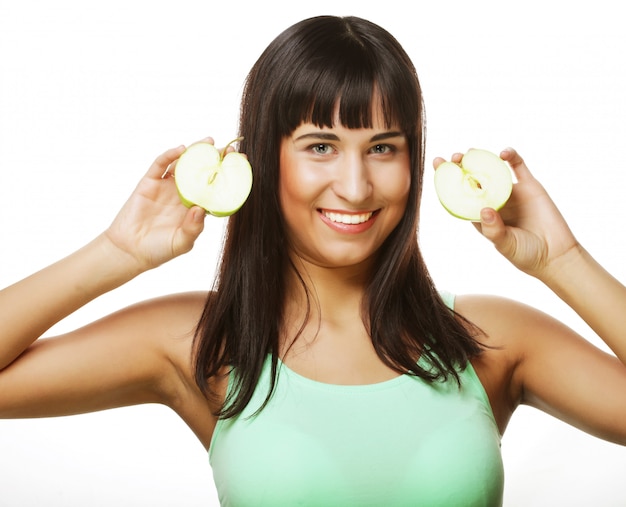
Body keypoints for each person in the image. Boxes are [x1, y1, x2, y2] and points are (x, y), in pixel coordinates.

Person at [1, 14, 625, 507]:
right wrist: (116, 254)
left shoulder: (489, 340)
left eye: (382, 147)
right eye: (321, 146)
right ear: (263, 159)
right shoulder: (204, 344)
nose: (355, 187)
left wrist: (563, 261)